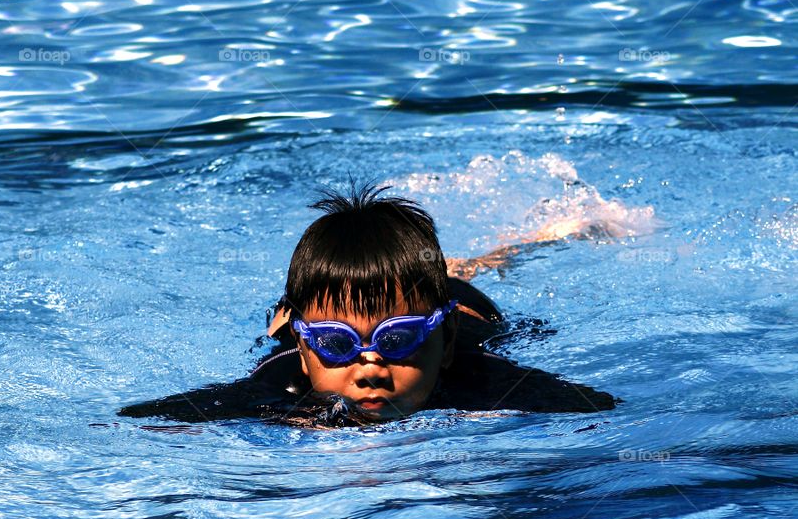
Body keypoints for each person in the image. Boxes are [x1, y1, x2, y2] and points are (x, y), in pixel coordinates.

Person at [118, 183, 618, 428]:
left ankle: (532, 242)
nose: (370, 369)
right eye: (339, 347)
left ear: (442, 346)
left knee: (458, 279)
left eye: (397, 341)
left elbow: (598, 407)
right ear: (307, 352)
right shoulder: (281, 382)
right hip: (300, 325)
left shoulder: (481, 377)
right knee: (283, 325)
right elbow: (166, 417)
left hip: (466, 312)